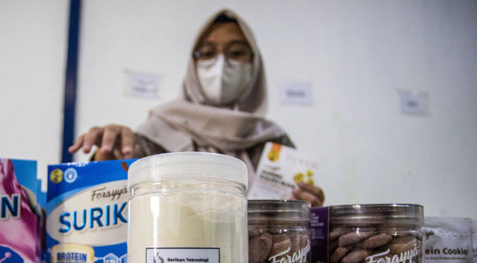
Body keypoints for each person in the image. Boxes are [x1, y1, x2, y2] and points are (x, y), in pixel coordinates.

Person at [69, 9, 325, 206]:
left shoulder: (274, 143)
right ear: (192, 64)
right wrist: (103, 164)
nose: (221, 63)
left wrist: (308, 212)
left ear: (255, 65)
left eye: (236, 52)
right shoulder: (153, 135)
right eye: (207, 53)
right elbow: (112, 212)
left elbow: (293, 224)